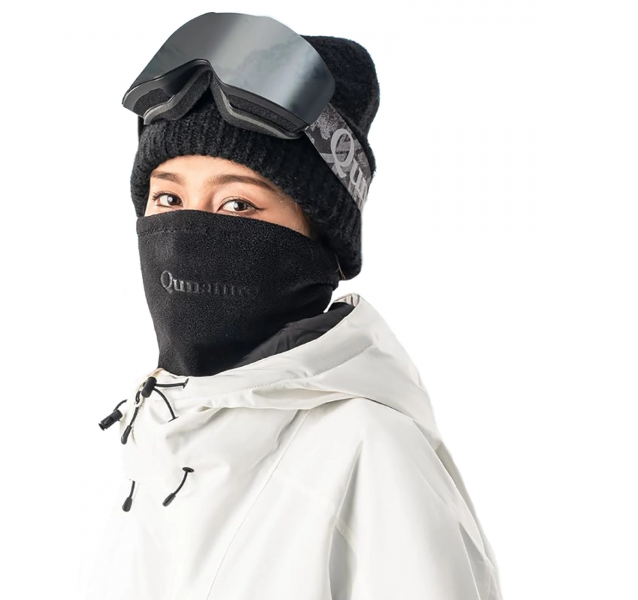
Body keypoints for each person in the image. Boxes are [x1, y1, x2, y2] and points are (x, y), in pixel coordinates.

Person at [90, 19, 503, 600]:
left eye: (238, 204)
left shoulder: (369, 453)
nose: (184, 237)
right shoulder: (158, 440)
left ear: (318, 240)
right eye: (169, 197)